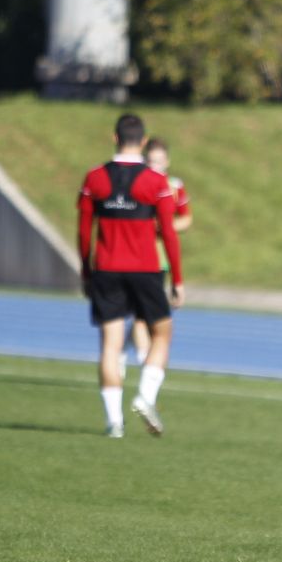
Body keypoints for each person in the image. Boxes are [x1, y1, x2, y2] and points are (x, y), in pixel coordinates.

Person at [77, 113, 185, 439]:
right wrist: (177, 279)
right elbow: (168, 233)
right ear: (143, 140)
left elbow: (84, 231)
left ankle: (114, 423)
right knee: (162, 335)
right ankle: (145, 397)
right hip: (146, 270)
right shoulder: (156, 182)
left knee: (110, 346)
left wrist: (86, 270)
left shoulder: (93, 179)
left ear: (114, 138)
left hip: (106, 270)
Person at [130, 137, 191, 364]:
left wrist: (166, 226)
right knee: (140, 313)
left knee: (155, 314)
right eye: (151, 161)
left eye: (159, 162)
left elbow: (186, 219)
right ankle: (145, 360)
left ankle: (136, 349)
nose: (155, 166)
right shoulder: (136, 183)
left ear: (167, 162)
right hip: (138, 254)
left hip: (161, 257)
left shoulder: (174, 186)